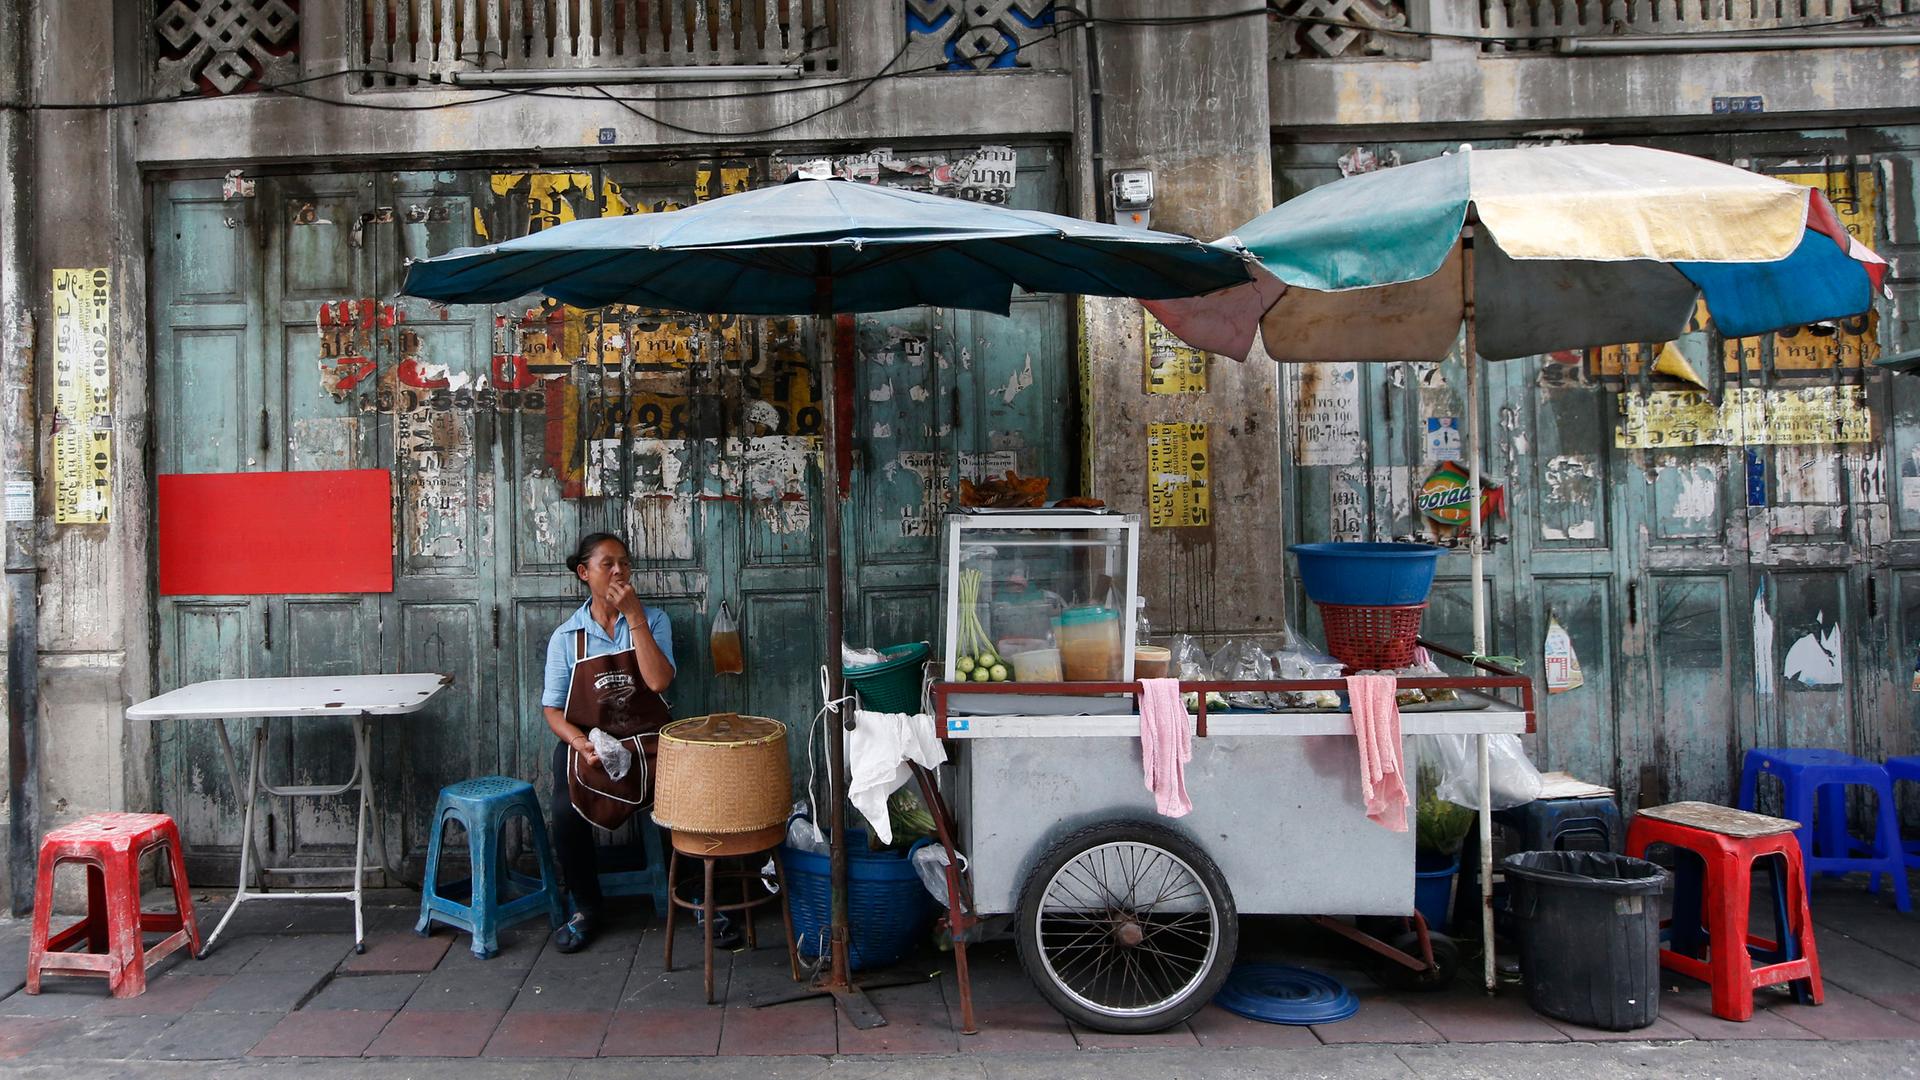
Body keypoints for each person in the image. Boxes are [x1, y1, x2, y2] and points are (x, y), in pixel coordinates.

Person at [541, 532, 678, 953]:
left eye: (625, 563)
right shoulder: (567, 637)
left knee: (686, 800)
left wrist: (633, 615)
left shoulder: (653, 621)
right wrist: (580, 742)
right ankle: (586, 906)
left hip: (647, 740)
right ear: (585, 573)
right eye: (608, 564)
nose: (619, 571)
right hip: (591, 743)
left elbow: (657, 681)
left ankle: (692, 898)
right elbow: (552, 710)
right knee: (565, 811)